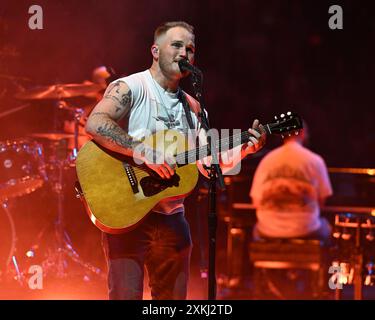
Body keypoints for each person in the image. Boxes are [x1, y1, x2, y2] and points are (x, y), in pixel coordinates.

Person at [85, 21, 266, 300]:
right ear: (155, 51)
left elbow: (208, 162)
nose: (185, 53)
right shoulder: (132, 86)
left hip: (173, 220)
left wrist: (244, 150)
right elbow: (95, 123)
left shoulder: (194, 106)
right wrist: (142, 151)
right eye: (177, 45)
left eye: (191, 49)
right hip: (129, 214)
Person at [250, 122, 333, 243]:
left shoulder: (267, 160)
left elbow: (256, 202)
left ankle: (260, 260)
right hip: (306, 229)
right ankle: (318, 261)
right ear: (303, 133)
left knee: (256, 229)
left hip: (268, 230)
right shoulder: (315, 160)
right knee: (326, 226)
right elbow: (321, 202)